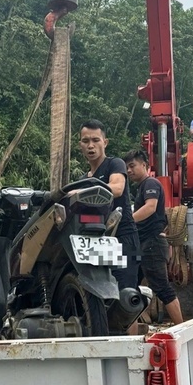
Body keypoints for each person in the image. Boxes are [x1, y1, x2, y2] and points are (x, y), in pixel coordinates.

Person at [124, 150, 184, 330]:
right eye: (127, 167)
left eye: (132, 166)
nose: (129, 170)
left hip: (152, 244)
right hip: (141, 244)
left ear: (144, 165)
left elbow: (150, 208)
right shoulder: (141, 187)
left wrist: (127, 221)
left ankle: (183, 329)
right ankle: (131, 335)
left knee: (162, 288)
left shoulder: (151, 183)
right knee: (129, 287)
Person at [78, 119, 139, 293]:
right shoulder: (83, 180)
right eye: (86, 141)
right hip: (97, 242)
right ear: (80, 145)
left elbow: (117, 188)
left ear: (105, 143)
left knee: (125, 297)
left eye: (96, 140)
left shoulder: (115, 164)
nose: (91, 145)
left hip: (123, 239)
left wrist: (80, 193)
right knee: (101, 295)